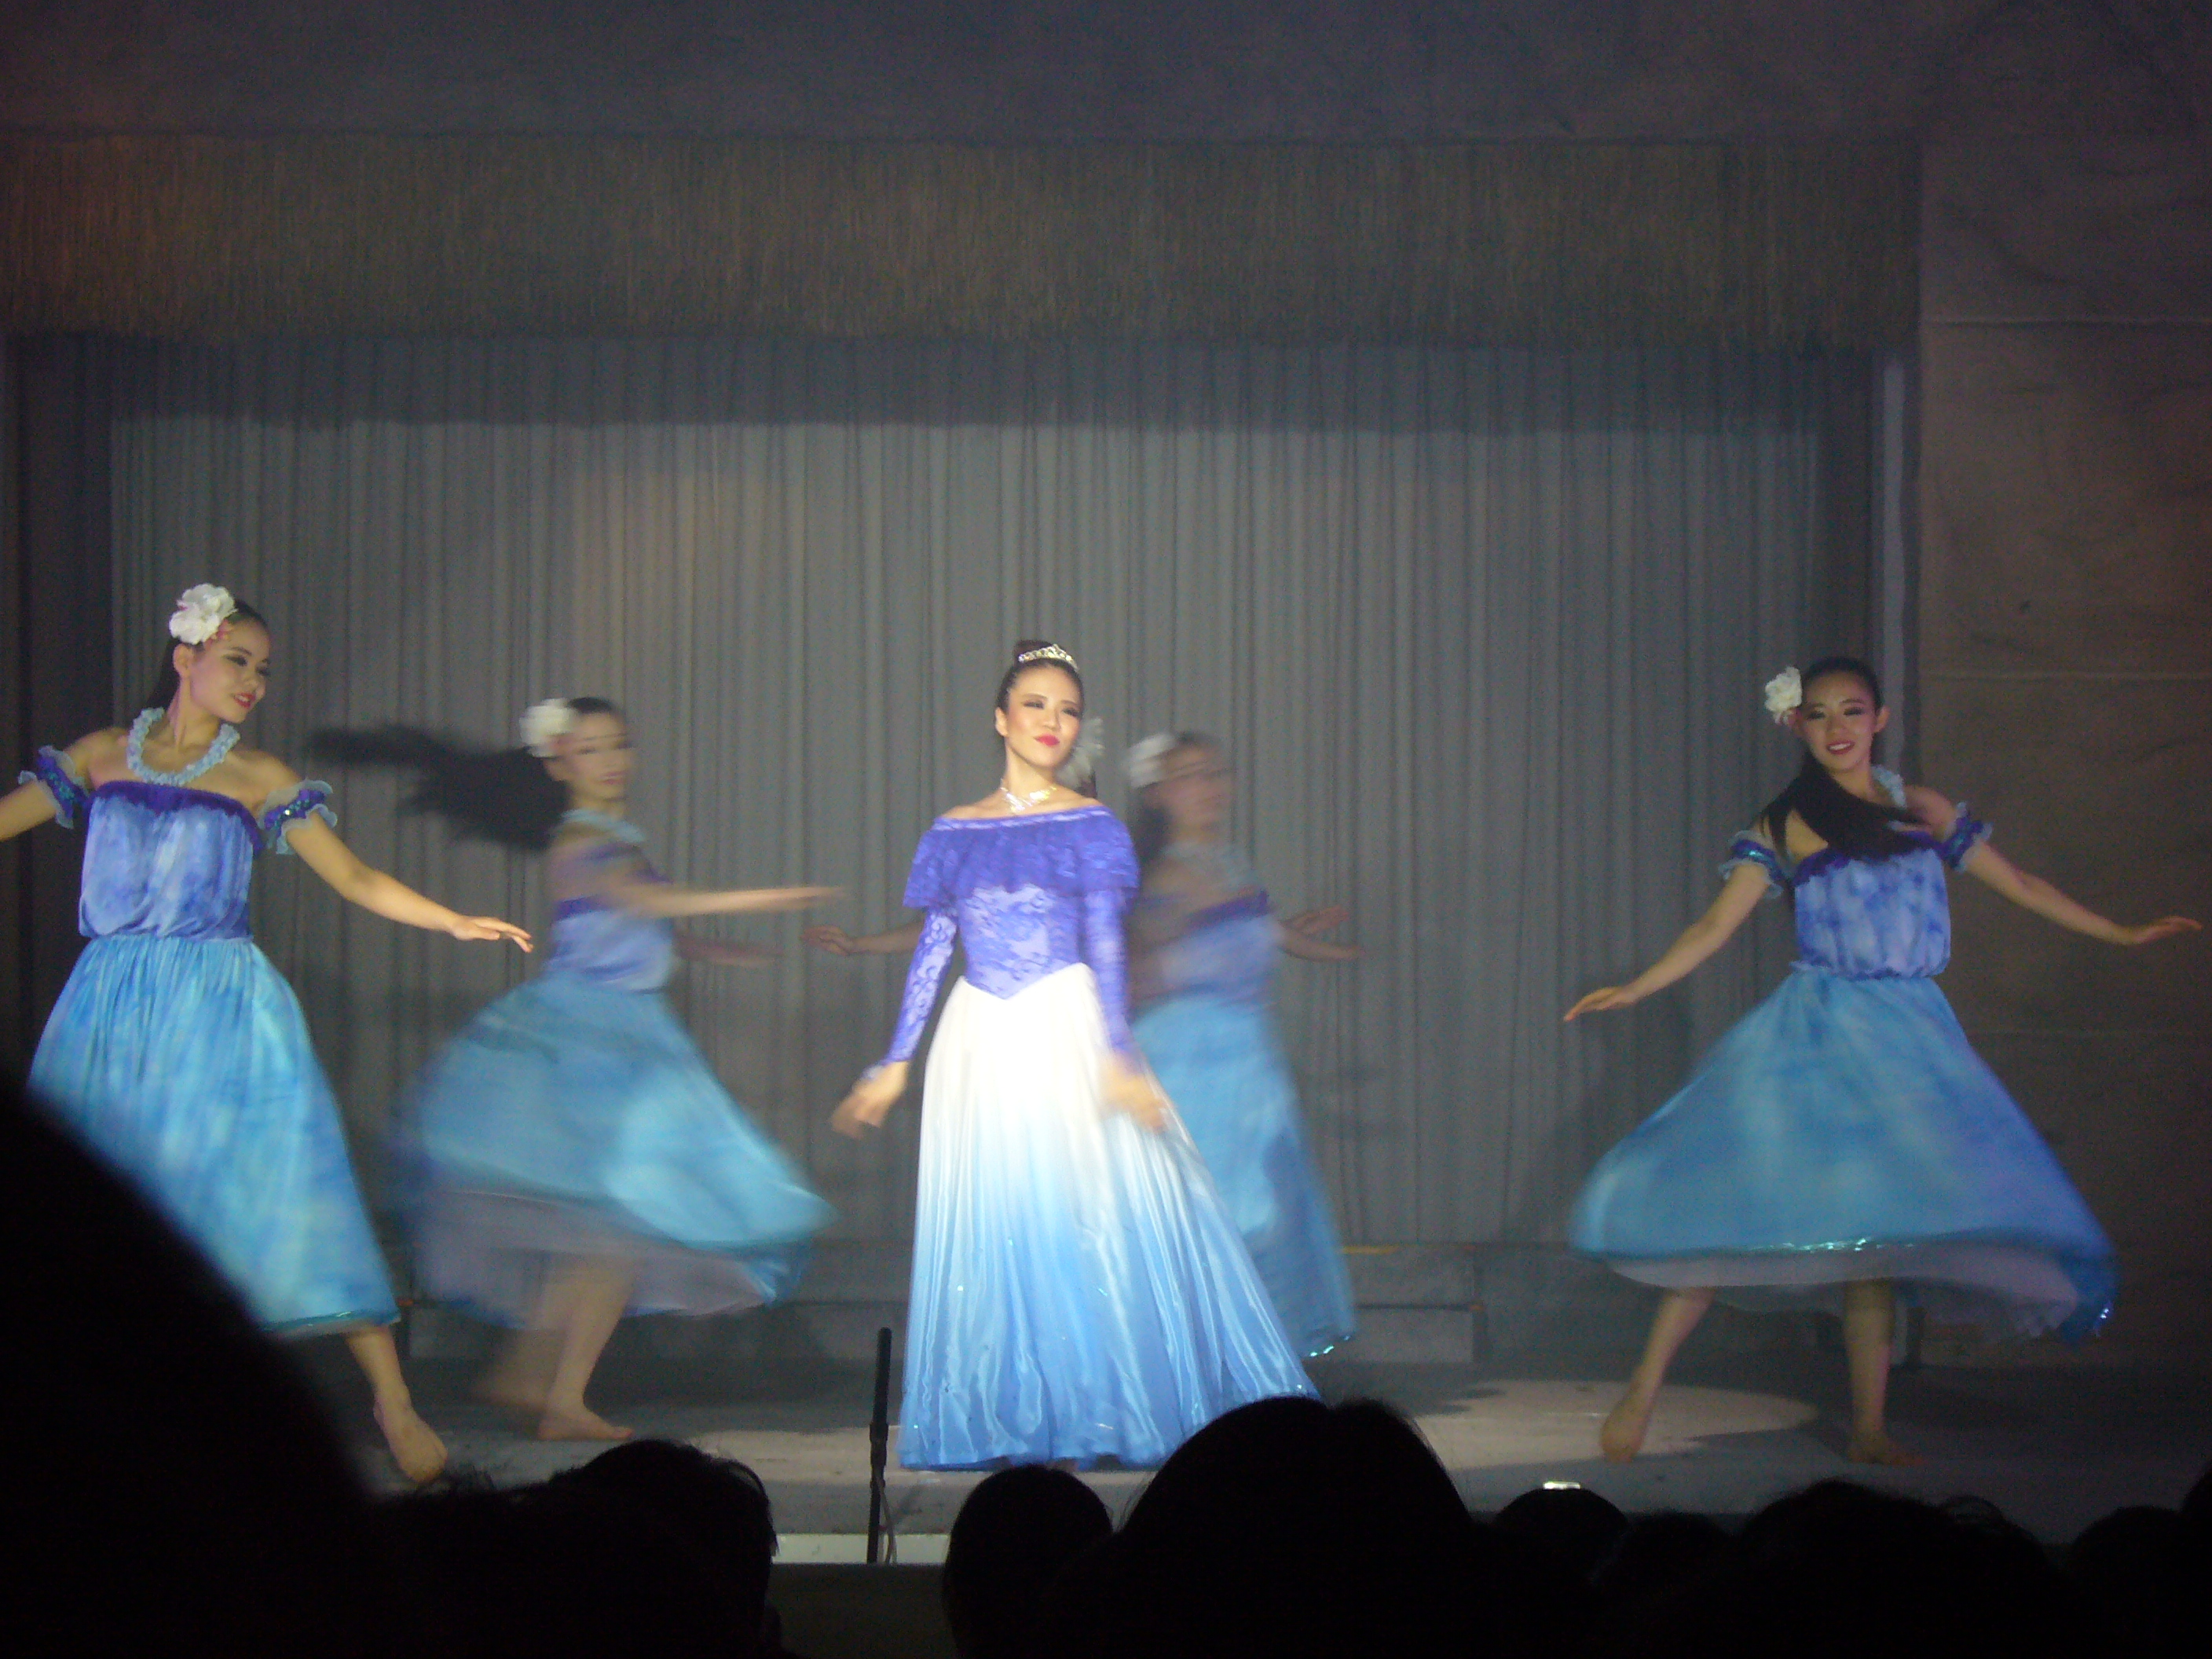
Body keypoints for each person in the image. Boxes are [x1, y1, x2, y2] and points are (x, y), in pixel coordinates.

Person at [1565, 657, 2197, 1465]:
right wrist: (1637, 986)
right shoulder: (1786, 823)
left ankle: (1868, 1425)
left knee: (1877, 1236)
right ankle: (1641, 1390)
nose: (1837, 728)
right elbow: (1713, 928)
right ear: (1797, 725)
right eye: (1820, 714)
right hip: (1819, 1031)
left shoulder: (1920, 809)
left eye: (1852, 711)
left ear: (1879, 719)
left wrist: (2119, 932)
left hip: (1908, 1035)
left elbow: (2021, 883)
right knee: (1732, 1212)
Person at [5, 582, 530, 1482]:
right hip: (111, 1006)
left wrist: (452, 920)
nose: (253, 681)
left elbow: (355, 878)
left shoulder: (258, 777)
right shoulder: (101, 756)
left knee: (285, 1191)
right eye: (238, 661)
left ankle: (393, 1401)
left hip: (222, 1003)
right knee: (105, 1209)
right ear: (186, 657)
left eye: (264, 670)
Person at [831, 640, 1314, 1468]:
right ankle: (1006, 1409)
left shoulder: (1090, 825)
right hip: (979, 1038)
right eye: (1035, 704)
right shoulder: (954, 831)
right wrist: (895, 1062)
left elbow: (1106, 944)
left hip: (1064, 1023)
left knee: (1084, 1214)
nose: (1052, 721)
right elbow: (935, 947)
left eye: (1067, 709)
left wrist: (1121, 1055)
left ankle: (1102, 1406)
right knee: (998, 1217)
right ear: (1001, 718)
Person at [366, 697, 837, 1441]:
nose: (612, 761)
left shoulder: (612, 836)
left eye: (618, 744)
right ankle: (555, 1394)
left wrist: (704, 949)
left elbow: (635, 920)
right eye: (590, 749)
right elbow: (641, 899)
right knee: (619, 1222)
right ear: (559, 763)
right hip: (591, 1040)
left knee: (607, 1229)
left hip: (624, 1035)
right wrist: (759, 898)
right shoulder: (582, 838)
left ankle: (532, 1377)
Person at [1122, 731, 1361, 1356]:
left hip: (1246, 1062)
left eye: (1216, 772)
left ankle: (1241, 1362)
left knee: (1260, 1216)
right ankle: (1197, 1364)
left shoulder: (1225, 862)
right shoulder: (1164, 876)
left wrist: (1327, 945)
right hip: (1193, 1062)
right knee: (1215, 1216)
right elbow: (1133, 972)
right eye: (1191, 775)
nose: (1210, 786)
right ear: (1159, 793)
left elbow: (1259, 928)